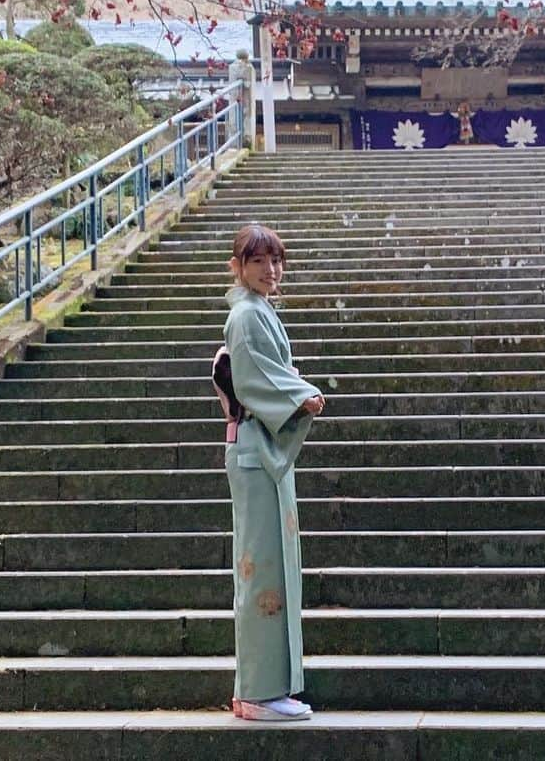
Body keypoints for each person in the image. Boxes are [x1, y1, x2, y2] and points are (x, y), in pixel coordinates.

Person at [216, 222, 325, 722]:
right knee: (260, 567)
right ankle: (258, 692)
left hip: (262, 447)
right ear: (238, 266)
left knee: (268, 564)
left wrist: (294, 392)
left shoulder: (259, 312)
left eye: (276, 260)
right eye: (257, 261)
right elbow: (250, 374)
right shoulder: (245, 316)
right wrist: (298, 396)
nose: (270, 270)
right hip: (255, 448)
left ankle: (260, 687)